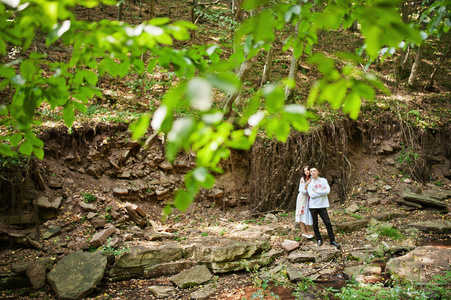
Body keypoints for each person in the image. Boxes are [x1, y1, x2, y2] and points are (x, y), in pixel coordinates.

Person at [307, 167, 341, 249]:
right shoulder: (309, 182)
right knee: (315, 224)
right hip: (313, 206)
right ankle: (318, 239)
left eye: (314, 171)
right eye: (311, 171)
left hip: (322, 205)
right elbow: (311, 195)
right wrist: (322, 191)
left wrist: (317, 192)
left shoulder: (323, 180)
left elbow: (327, 191)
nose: (313, 173)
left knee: (328, 223)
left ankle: (332, 240)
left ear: (318, 172)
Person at [295, 166, 314, 239]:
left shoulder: (312, 179)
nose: (307, 171)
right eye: (305, 170)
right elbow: (302, 190)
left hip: (310, 199)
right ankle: (304, 232)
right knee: (302, 214)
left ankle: (307, 231)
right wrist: (306, 185)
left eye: (308, 170)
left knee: (309, 214)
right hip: (303, 198)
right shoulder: (303, 179)